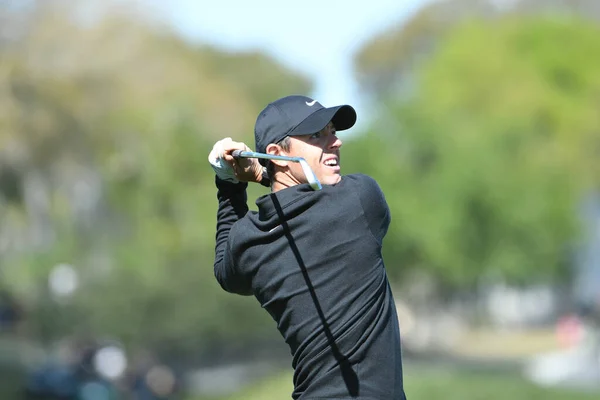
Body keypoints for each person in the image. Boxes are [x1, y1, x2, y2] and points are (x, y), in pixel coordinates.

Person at [209, 95, 406, 399]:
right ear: (276, 153)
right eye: (317, 135)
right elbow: (309, 200)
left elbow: (225, 271)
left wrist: (230, 185)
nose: (335, 142)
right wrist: (260, 175)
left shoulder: (247, 239)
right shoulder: (360, 201)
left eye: (332, 131)